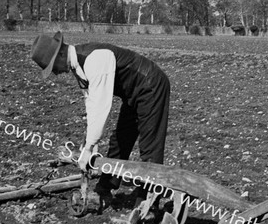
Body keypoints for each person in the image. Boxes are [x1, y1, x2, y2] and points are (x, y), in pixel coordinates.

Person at [30, 31, 171, 208]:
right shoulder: (77, 65)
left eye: (53, 67)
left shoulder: (95, 59)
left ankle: (147, 202)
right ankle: (105, 187)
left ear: (60, 53)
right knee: (120, 140)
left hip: (151, 85)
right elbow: (90, 102)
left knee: (150, 147)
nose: (56, 73)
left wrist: (89, 146)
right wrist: (89, 143)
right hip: (133, 92)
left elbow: (101, 105)